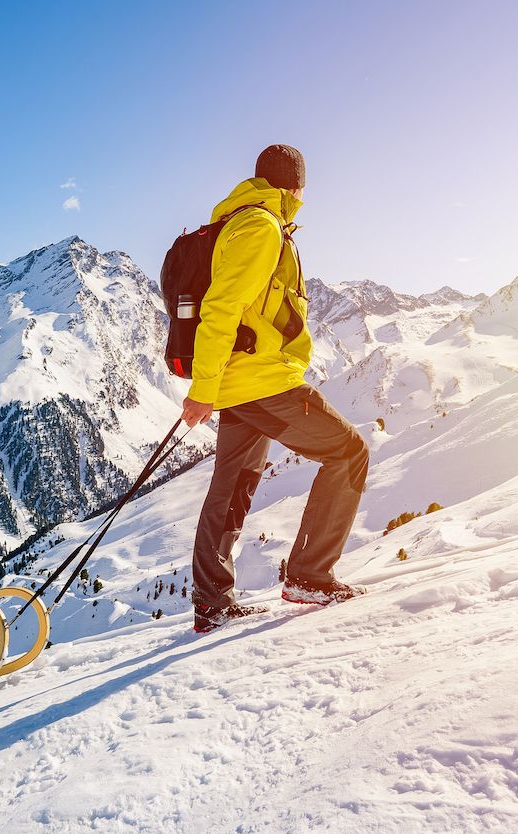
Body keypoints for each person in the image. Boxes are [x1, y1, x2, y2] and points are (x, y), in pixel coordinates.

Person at [183, 144, 369, 634]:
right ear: (294, 185)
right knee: (348, 453)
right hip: (263, 379)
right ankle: (309, 575)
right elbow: (221, 308)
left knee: (231, 487)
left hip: (241, 381)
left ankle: (213, 603)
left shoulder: (241, 220)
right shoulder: (260, 227)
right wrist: (202, 389)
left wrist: (213, 384)